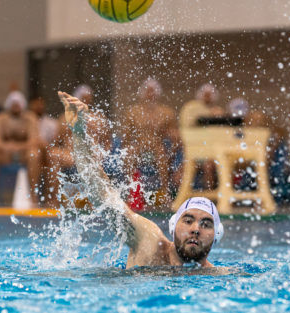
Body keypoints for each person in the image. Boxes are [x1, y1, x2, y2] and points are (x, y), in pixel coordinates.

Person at [58, 90, 224, 268]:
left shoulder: (220, 276)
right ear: (173, 226)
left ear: (216, 236)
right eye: (188, 220)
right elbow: (102, 197)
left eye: (206, 224)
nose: (196, 229)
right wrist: (79, 133)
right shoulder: (149, 242)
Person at [121, 78, 179, 208]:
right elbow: (126, 136)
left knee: (161, 152)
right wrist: (127, 148)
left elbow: (175, 136)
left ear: (158, 94)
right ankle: (132, 192)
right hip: (139, 146)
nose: (150, 95)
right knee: (130, 152)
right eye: (147, 91)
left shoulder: (166, 112)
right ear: (142, 93)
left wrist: (172, 153)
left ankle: (165, 192)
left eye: (153, 92)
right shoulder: (133, 112)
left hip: (157, 146)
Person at [0, 90, 41, 205]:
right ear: (8, 105)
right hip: (5, 155)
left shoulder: (30, 118)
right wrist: (7, 147)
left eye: (18, 104)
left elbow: (34, 140)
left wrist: (17, 147)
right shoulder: (0, 119)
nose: (16, 107)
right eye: (13, 104)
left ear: (22, 105)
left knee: (34, 155)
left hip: (23, 154)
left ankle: (34, 198)